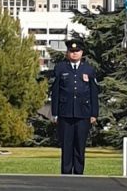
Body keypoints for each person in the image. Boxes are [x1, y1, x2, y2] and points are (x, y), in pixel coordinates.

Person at [50, 40, 99, 175]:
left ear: (82, 53)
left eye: (77, 51)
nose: (74, 54)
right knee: (66, 145)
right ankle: (66, 174)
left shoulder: (88, 69)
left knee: (80, 146)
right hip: (65, 113)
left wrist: (94, 113)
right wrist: (55, 113)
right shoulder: (60, 68)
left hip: (83, 113)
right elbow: (55, 92)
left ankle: (79, 173)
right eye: (72, 51)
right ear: (67, 53)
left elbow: (93, 92)